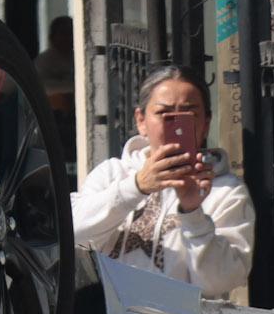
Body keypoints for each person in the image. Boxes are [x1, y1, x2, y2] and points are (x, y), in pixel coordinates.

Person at [72, 66, 256, 301]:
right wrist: (136, 187)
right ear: (141, 120)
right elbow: (72, 233)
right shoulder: (112, 174)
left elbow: (221, 281)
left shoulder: (226, 191)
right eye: (164, 114)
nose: (176, 125)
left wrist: (192, 212)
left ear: (206, 122)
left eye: (188, 114)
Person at [35, 16, 74, 115]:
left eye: (71, 33)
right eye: (63, 33)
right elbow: (42, 88)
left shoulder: (78, 58)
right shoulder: (43, 60)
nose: (68, 38)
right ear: (52, 37)